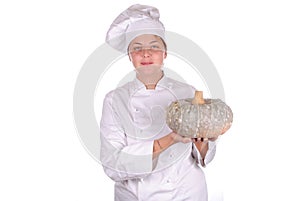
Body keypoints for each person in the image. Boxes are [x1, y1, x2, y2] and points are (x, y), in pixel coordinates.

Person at [100, 4, 228, 201]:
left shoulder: (188, 92)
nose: (146, 53)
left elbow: (203, 157)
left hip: (187, 192)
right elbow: (112, 164)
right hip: (135, 195)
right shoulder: (114, 100)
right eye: (137, 48)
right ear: (130, 56)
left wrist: (203, 144)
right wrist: (171, 139)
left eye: (154, 47)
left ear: (165, 54)